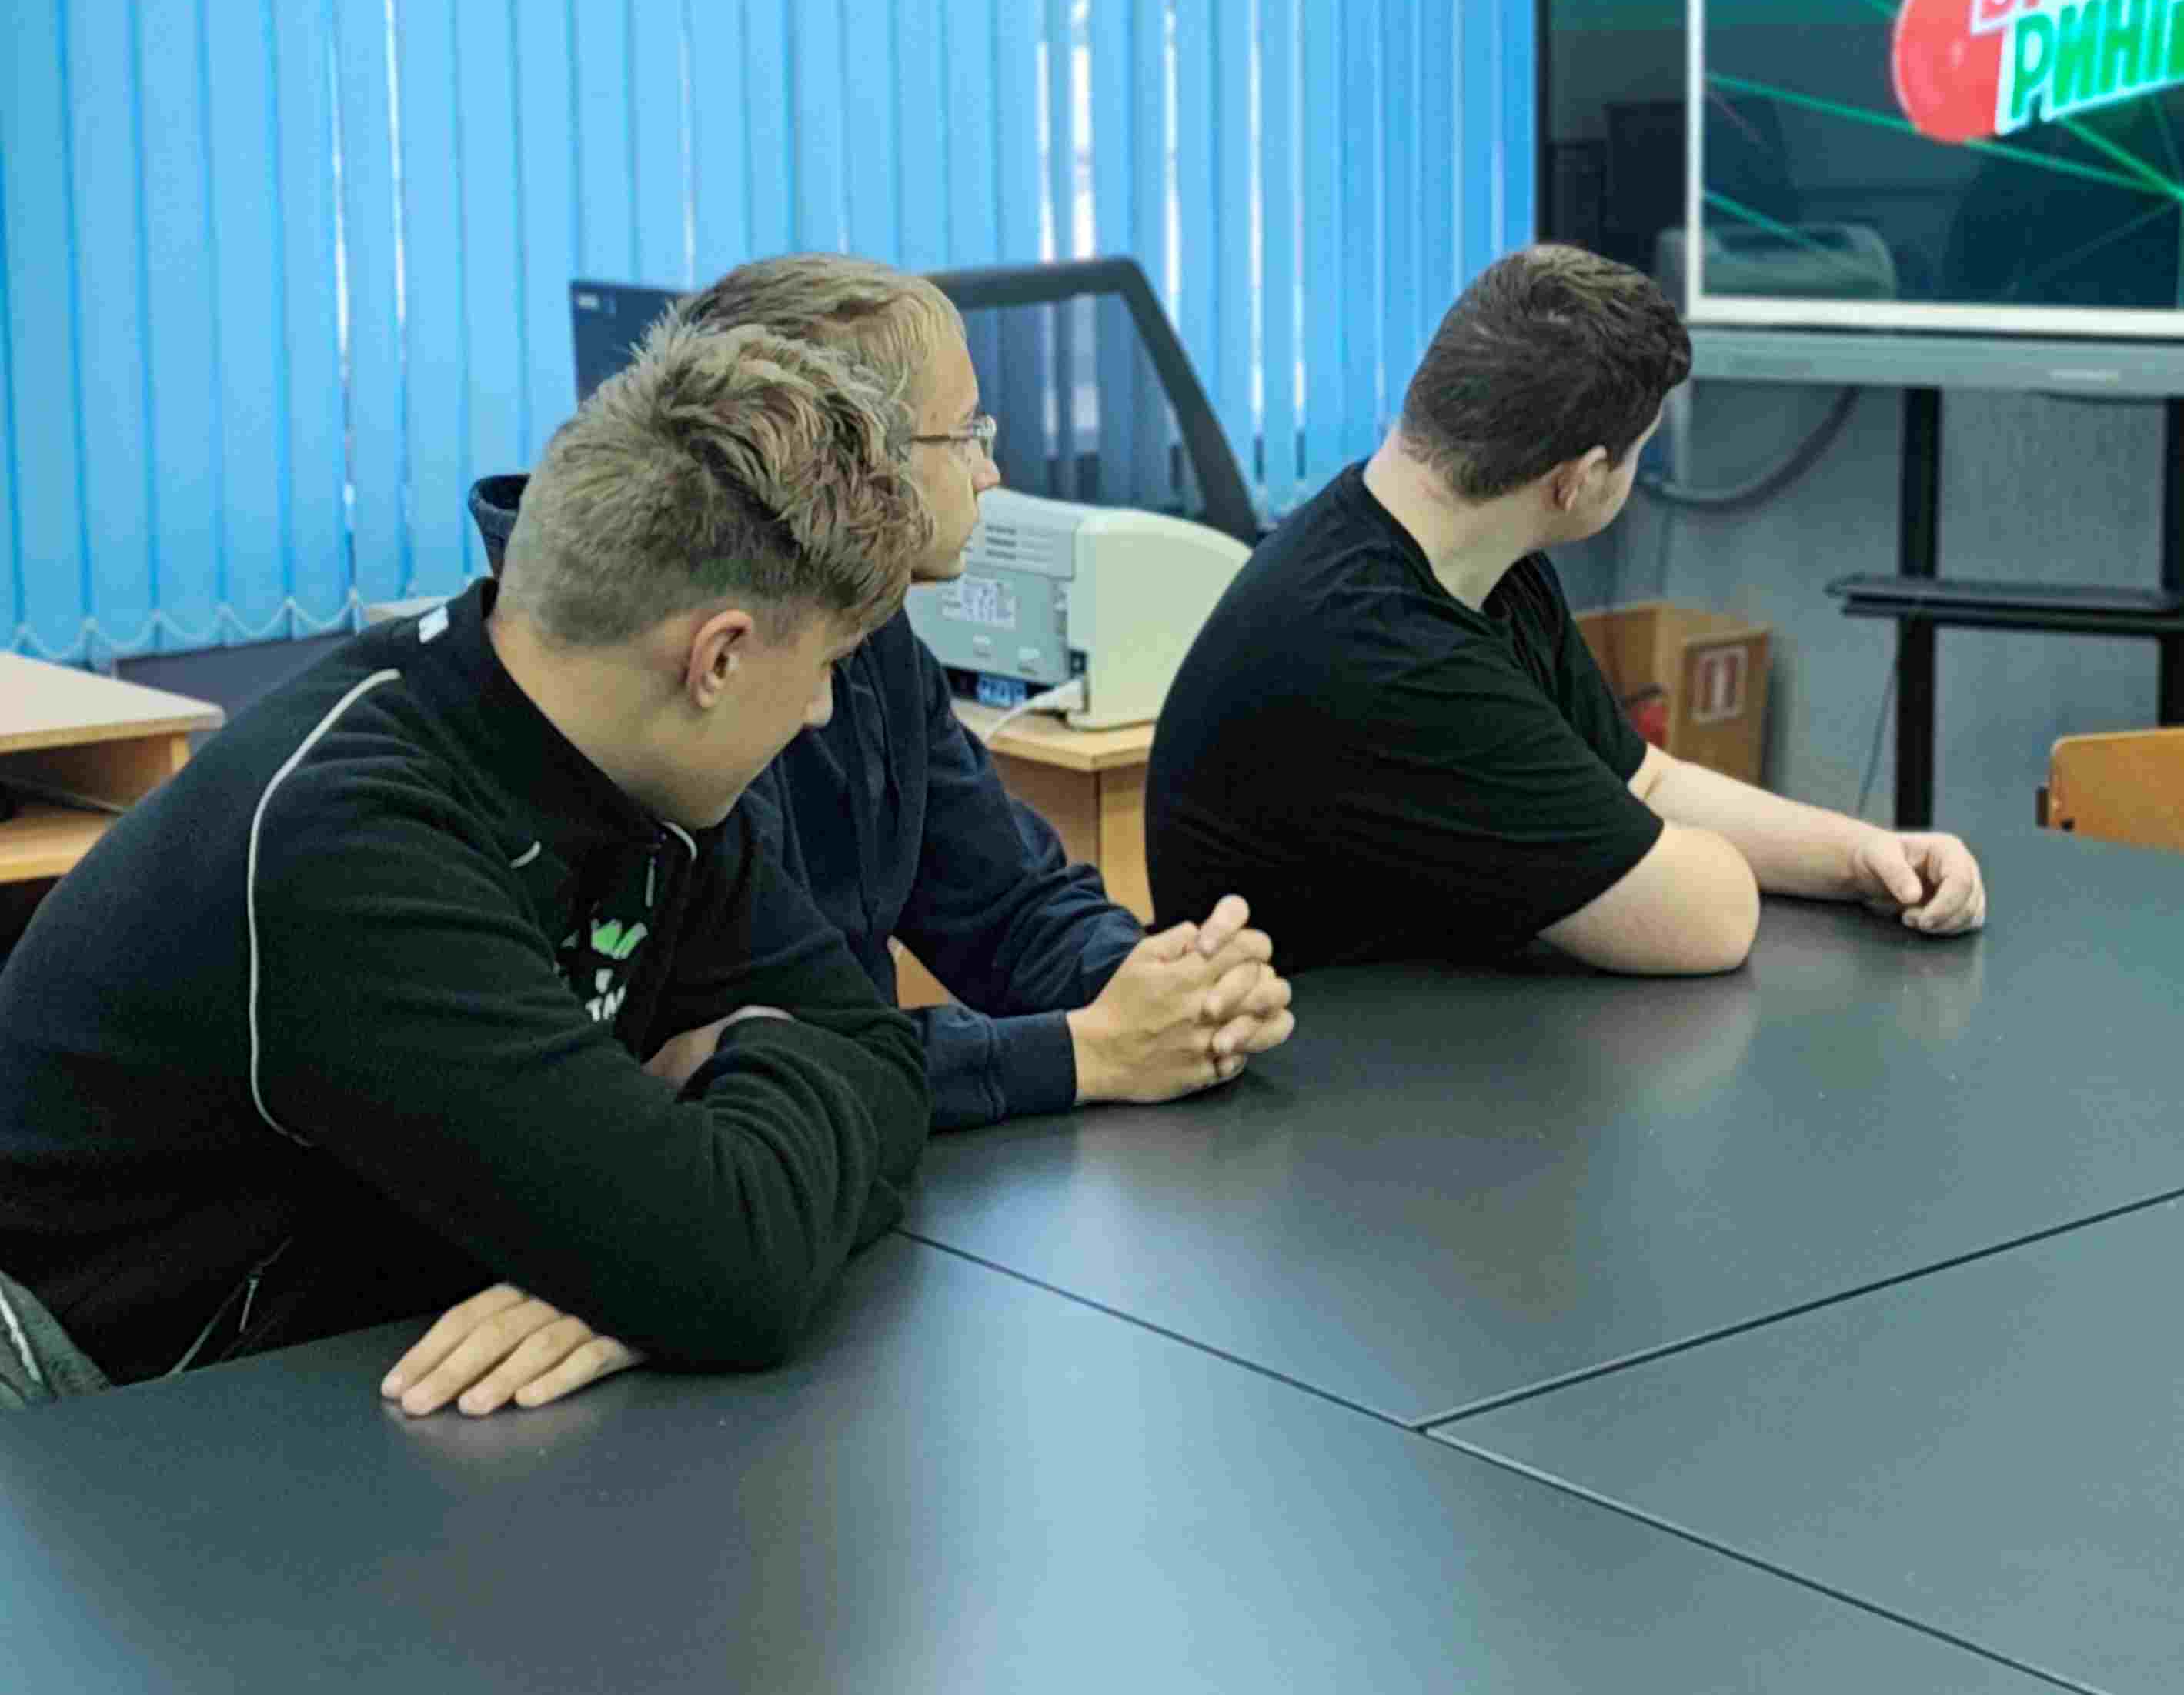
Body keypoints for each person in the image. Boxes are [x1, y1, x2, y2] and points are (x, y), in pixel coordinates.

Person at [0, 323, 933, 1414]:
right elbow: (736, 1267)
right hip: (88, 1416)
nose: (820, 709)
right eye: (826, 665)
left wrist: (655, 1246)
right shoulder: (351, 840)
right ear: (717, 656)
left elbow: (879, 1059)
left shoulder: (653, 778)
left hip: (331, 1366)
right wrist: (675, 1228)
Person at [469, 255, 1292, 1127]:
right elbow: (786, 1047)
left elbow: (1001, 904)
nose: (990, 471)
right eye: (965, 433)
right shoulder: (675, 699)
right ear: (848, 453)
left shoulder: (875, 641)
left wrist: (1169, 988)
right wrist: (1090, 1051)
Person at [1147, 243, 1989, 973]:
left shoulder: (1471, 554)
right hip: (1333, 1078)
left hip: (1430, 1030)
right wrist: (1643, 845)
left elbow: (1642, 780)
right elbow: (1711, 917)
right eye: (1637, 451)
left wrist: (1863, 854)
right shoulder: (1387, 654)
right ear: (1578, 480)